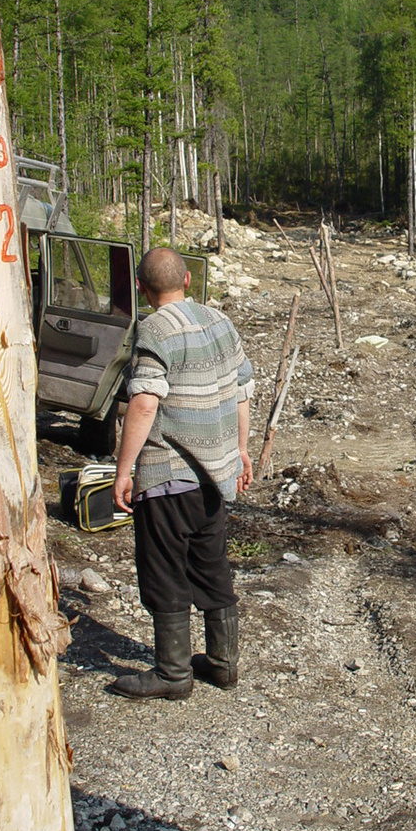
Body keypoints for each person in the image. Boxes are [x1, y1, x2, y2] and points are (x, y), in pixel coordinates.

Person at [110, 246, 254, 701]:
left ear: (141, 288)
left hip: (168, 474)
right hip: (216, 475)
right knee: (211, 565)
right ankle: (223, 663)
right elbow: (242, 389)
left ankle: (173, 674)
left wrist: (123, 469)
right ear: (188, 279)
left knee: (164, 570)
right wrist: (242, 451)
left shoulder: (153, 329)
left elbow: (146, 400)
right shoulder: (220, 322)